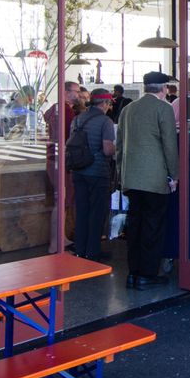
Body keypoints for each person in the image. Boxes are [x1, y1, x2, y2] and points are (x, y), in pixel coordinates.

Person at [116, 72, 178, 290]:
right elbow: (169, 145)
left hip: (131, 178)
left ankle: (133, 273)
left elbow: (119, 145)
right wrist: (174, 175)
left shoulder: (127, 109)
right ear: (163, 89)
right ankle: (147, 274)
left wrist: (121, 174)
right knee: (153, 227)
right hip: (154, 180)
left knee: (135, 226)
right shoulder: (164, 109)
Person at [70, 89, 116, 261]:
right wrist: (118, 148)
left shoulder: (77, 119)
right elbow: (107, 149)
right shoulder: (105, 121)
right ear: (104, 103)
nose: (109, 107)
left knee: (82, 210)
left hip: (78, 170)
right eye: (109, 104)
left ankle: (80, 249)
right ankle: (93, 251)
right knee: (97, 211)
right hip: (97, 172)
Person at [44, 81, 81, 254]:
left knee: (62, 202)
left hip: (54, 158)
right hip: (61, 160)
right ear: (66, 92)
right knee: (62, 202)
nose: (78, 95)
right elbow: (70, 137)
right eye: (76, 91)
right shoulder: (65, 111)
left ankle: (61, 238)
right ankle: (55, 243)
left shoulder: (55, 109)